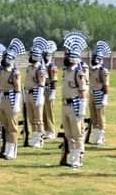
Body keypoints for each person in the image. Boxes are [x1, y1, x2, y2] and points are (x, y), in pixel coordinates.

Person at [61, 33, 89, 168]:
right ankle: (72, 155)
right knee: (68, 133)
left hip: (75, 105)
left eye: (67, 56)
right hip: (65, 105)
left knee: (77, 133)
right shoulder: (66, 71)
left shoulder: (79, 73)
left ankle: (78, 157)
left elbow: (83, 91)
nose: (65, 58)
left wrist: (82, 108)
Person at [0, 39, 24, 159]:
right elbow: (1, 86)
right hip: (3, 98)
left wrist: (16, 104)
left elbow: (18, 88)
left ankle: (13, 150)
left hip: (11, 98)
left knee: (12, 127)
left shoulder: (15, 73)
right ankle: (7, 148)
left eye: (7, 58)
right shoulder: (2, 71)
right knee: (6, 126)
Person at [25, 38, 49, 148]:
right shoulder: (30, 68)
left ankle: (39, 138)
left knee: (38, 118)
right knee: (31, 117)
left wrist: (39, 96)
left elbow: (41, 83)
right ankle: (34, 136)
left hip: (36, 94)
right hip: (28, 93)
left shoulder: (40, 69)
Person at [87, 42, 112, 145]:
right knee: (93, 116)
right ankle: (95, 134)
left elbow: (106, 85)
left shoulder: (103, 71)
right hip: (92, 93)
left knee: (100, 116)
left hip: (99, 93)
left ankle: (101, 136)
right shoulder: (91, 69)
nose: (93, 59)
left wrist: (105, 97)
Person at [43, 40, 59, 140]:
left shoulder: (52, 66)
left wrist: (53, 92)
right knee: (43, 112)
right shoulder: (42, 65)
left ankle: (51, 130)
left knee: (49, 111)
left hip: (49, 89)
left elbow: (54, 80)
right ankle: (45, 129)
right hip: (42, 89)